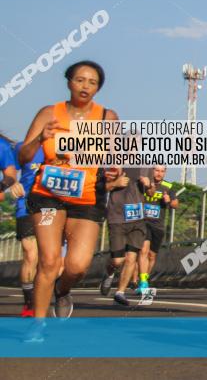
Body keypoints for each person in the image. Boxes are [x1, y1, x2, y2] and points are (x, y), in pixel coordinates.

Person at [18, 60, 125, 319]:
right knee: (49, 261)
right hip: (48, 197)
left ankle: (62, 289)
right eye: (80, 80)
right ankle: (38, 325)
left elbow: (118, 157)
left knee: (77, 266)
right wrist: (40, 139)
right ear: (69, 82)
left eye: (92, 82)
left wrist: (115, 170)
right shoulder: (49, 113)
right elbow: (23, 156)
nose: (85, 86)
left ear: (98, 88)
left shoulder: (106, 117)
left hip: (87, 198)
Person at [100, 168, 148, 306]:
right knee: (117, 261)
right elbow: (100, 188)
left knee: (131, 258)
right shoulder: (113, 163)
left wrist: (148, 184)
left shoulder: (146, 165)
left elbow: (150, 192)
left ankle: (120, 292)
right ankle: (109, 273)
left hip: (138, 219)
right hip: (117, 218)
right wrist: (116, 183)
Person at [8, 139, 45, 317]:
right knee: (30, 253)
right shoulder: (23, 148)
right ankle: (29, 303)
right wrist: (12, 182)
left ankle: (58, 293)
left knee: (49, 259)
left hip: (52, 207)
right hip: (26, 205)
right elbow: (7, 166)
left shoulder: (62, 148)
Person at [137, 165, 178, 294]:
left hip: (158, 225)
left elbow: (176, 204)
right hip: (143, 222)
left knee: (152, 255)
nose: (159, 173)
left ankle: (144, 278)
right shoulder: (144, 182)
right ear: (151, 171)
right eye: (156, 170)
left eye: (162, 171)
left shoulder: (169, 186)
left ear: (165, 173)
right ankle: (143, 282)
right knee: (143, 250)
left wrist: (169, 201)